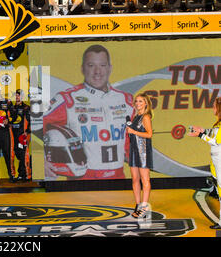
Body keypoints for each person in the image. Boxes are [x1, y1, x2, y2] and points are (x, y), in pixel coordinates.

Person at [44, 44, 134, 180]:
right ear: (82, 69)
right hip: (82, 180)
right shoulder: (67, 100)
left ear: (110, 68)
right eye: (91, 65)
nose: (97, 71)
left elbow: (130, 142)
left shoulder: (127, 101)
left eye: (102, 65)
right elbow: (36, 125)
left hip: (118, 178)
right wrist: (42, 161)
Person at [188, 97, 221, 229]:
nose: (212, 108)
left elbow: (216, 141)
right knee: (219, 191)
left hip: (219, 160)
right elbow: (214, 134)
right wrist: (203, 131)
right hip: (216, 160)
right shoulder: (217, 124)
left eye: (214, 106)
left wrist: (200, 135)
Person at [126, 93, 153, 219]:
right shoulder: (136, 116)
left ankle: (144, 206)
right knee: (135, 179)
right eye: (136, 101)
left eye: (141, 101)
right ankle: (137, 205)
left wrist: (133, 131)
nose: (138, 103)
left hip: (143, 152)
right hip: (134, 150)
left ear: (146, 103)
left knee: (145, 180)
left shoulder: (146, 117)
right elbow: (133, 135)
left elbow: (149, 134)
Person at [11, 89, 32, 182]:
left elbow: (32, 121)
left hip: (23, 135)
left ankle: (26, 174)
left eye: (19, 95)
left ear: (22, 97)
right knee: (18, 154)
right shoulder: (11, 107)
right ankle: (21, 173)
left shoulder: (27, 108)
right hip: (13, 135)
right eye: (16, 95)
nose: (17, 97)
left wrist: (27, 132)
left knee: (23, 154)